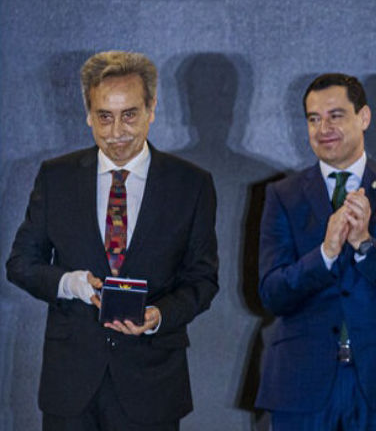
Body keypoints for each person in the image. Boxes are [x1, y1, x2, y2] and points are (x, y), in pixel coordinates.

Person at [6, 51, 219, 431]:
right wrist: (70, 284)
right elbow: (20, 264)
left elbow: (202, 280)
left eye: (130, 114)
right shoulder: (56, 178)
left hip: (151, 385)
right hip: (70, 386)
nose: (116, 131)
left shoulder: (191, 184)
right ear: (88, 115)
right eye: (104, 116)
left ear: (152, 108)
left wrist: (159, 316)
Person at [255, 73, 376, 431]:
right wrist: (324, 254)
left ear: (363, 117)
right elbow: (272, 294)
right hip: (301, 383)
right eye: (313, 118)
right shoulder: (282, 195)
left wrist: (366, 244)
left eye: (336, 115)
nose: (324, 128)